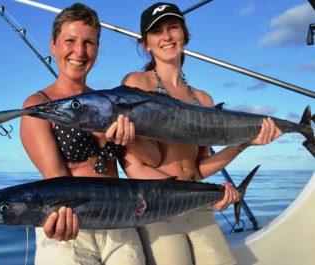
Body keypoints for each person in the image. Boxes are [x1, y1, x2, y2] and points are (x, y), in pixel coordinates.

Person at [120, 2, 283, 265]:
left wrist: (243, 144)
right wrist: (191, 193)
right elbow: (132, 163)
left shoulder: (203, 100)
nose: (167, 36)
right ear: (146, 44)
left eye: (173, 27)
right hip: (159, 206)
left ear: (184, 35)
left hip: (199, 208)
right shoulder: (136, 84)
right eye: (157, 31)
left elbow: (198, 168)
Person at [20, 3, 144, 265]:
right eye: (70, 41)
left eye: (89, 42)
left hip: (120, 223)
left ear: (97, 49)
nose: (80, 51)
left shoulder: (109, 101)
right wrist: (62, 216)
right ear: (53, 44)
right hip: (69, 227)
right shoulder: (38, 105)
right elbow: (56, 179)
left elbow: (134, 166)